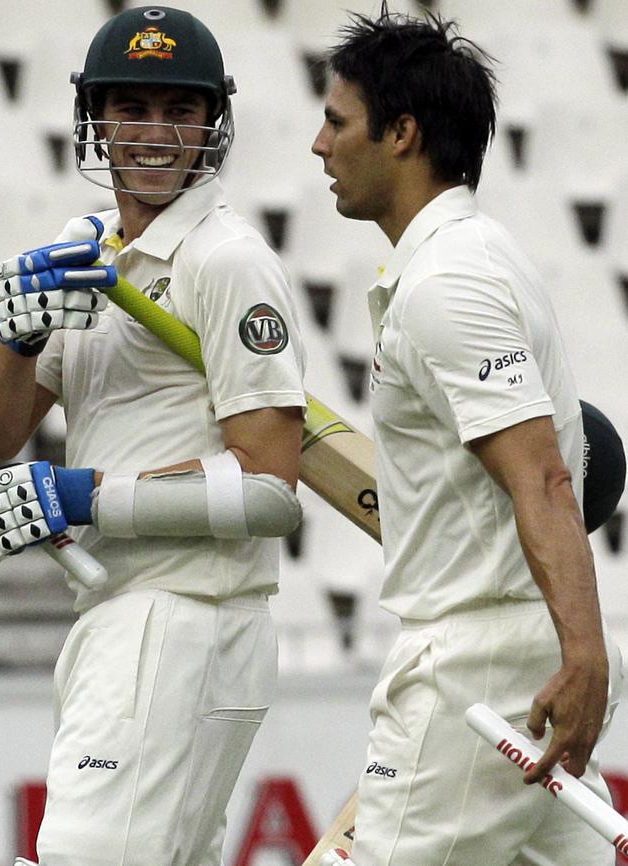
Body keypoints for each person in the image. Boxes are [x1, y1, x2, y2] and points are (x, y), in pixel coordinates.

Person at [0, 6, 307, 866]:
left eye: (179, 109)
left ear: (213, 123)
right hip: (120, 618)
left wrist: (86, 496)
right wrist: (14, 339)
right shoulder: (89, 250)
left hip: (186, 619)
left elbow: (272, 490)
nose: (153, 133)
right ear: (94, 119)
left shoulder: (228, 260)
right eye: (130, 106)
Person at [312, 4, 622, 865]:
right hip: (514, 657)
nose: (318, 145)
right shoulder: (472, 256)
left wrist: (586, 657)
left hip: (474, 676)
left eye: (338, 122)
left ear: (402, 133)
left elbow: (547, 479)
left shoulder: (449, 280)